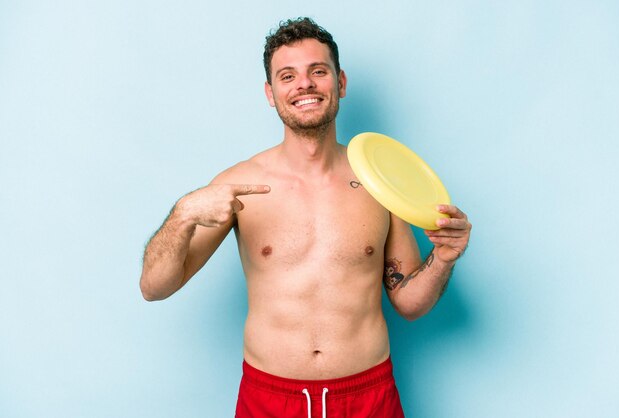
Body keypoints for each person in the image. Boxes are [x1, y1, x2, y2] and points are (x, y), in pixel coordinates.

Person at [140, 17, 471, 418]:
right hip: (270, 400)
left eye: (318, 71)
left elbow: (409, 303)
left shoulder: (377, 182)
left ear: (340, 82)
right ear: (270, 92)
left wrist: (443, 259)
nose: (305, 85)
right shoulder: (240, 184)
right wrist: (183, 214)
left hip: (368, 397)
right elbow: (154, 287)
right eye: (287, 75)